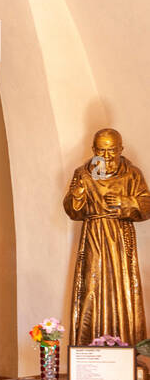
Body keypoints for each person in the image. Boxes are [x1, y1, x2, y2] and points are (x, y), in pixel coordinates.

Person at [63, 128, 150, 347]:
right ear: (93, 150)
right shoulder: (83, 174)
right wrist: (77, 195)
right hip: (94, 236)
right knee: (92, 287)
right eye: (101, 150)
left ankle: (127, 347)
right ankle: (90, 345)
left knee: (123, 289)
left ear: (121, 148)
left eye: (112, 150)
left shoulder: (132, 174)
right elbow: (74, 211)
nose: (107, 156)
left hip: (121, 239)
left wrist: (126, 203)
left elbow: (146, 205)